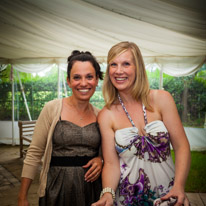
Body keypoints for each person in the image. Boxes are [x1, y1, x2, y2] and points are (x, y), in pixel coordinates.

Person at [92, 42, 191, 206]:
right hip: (128, 199)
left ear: (137, 67)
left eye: (126, 64)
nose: (118, 71)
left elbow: (182, 147)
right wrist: (108, 193)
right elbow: (111, 163)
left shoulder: (162, 99)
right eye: (113, 65)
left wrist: (179, 186)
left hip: (169, 196)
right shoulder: (106, 115)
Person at [18, 50, 104, 206]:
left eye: (89, 77)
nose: (83, 83)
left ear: (97, 80)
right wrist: (22, 197)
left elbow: (109, 154)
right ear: (69, 81)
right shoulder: (52, 109)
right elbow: (34, 152)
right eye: (77, 77)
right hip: (56, 189)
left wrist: (101, 159)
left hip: (91, 191)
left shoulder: (101, 115)